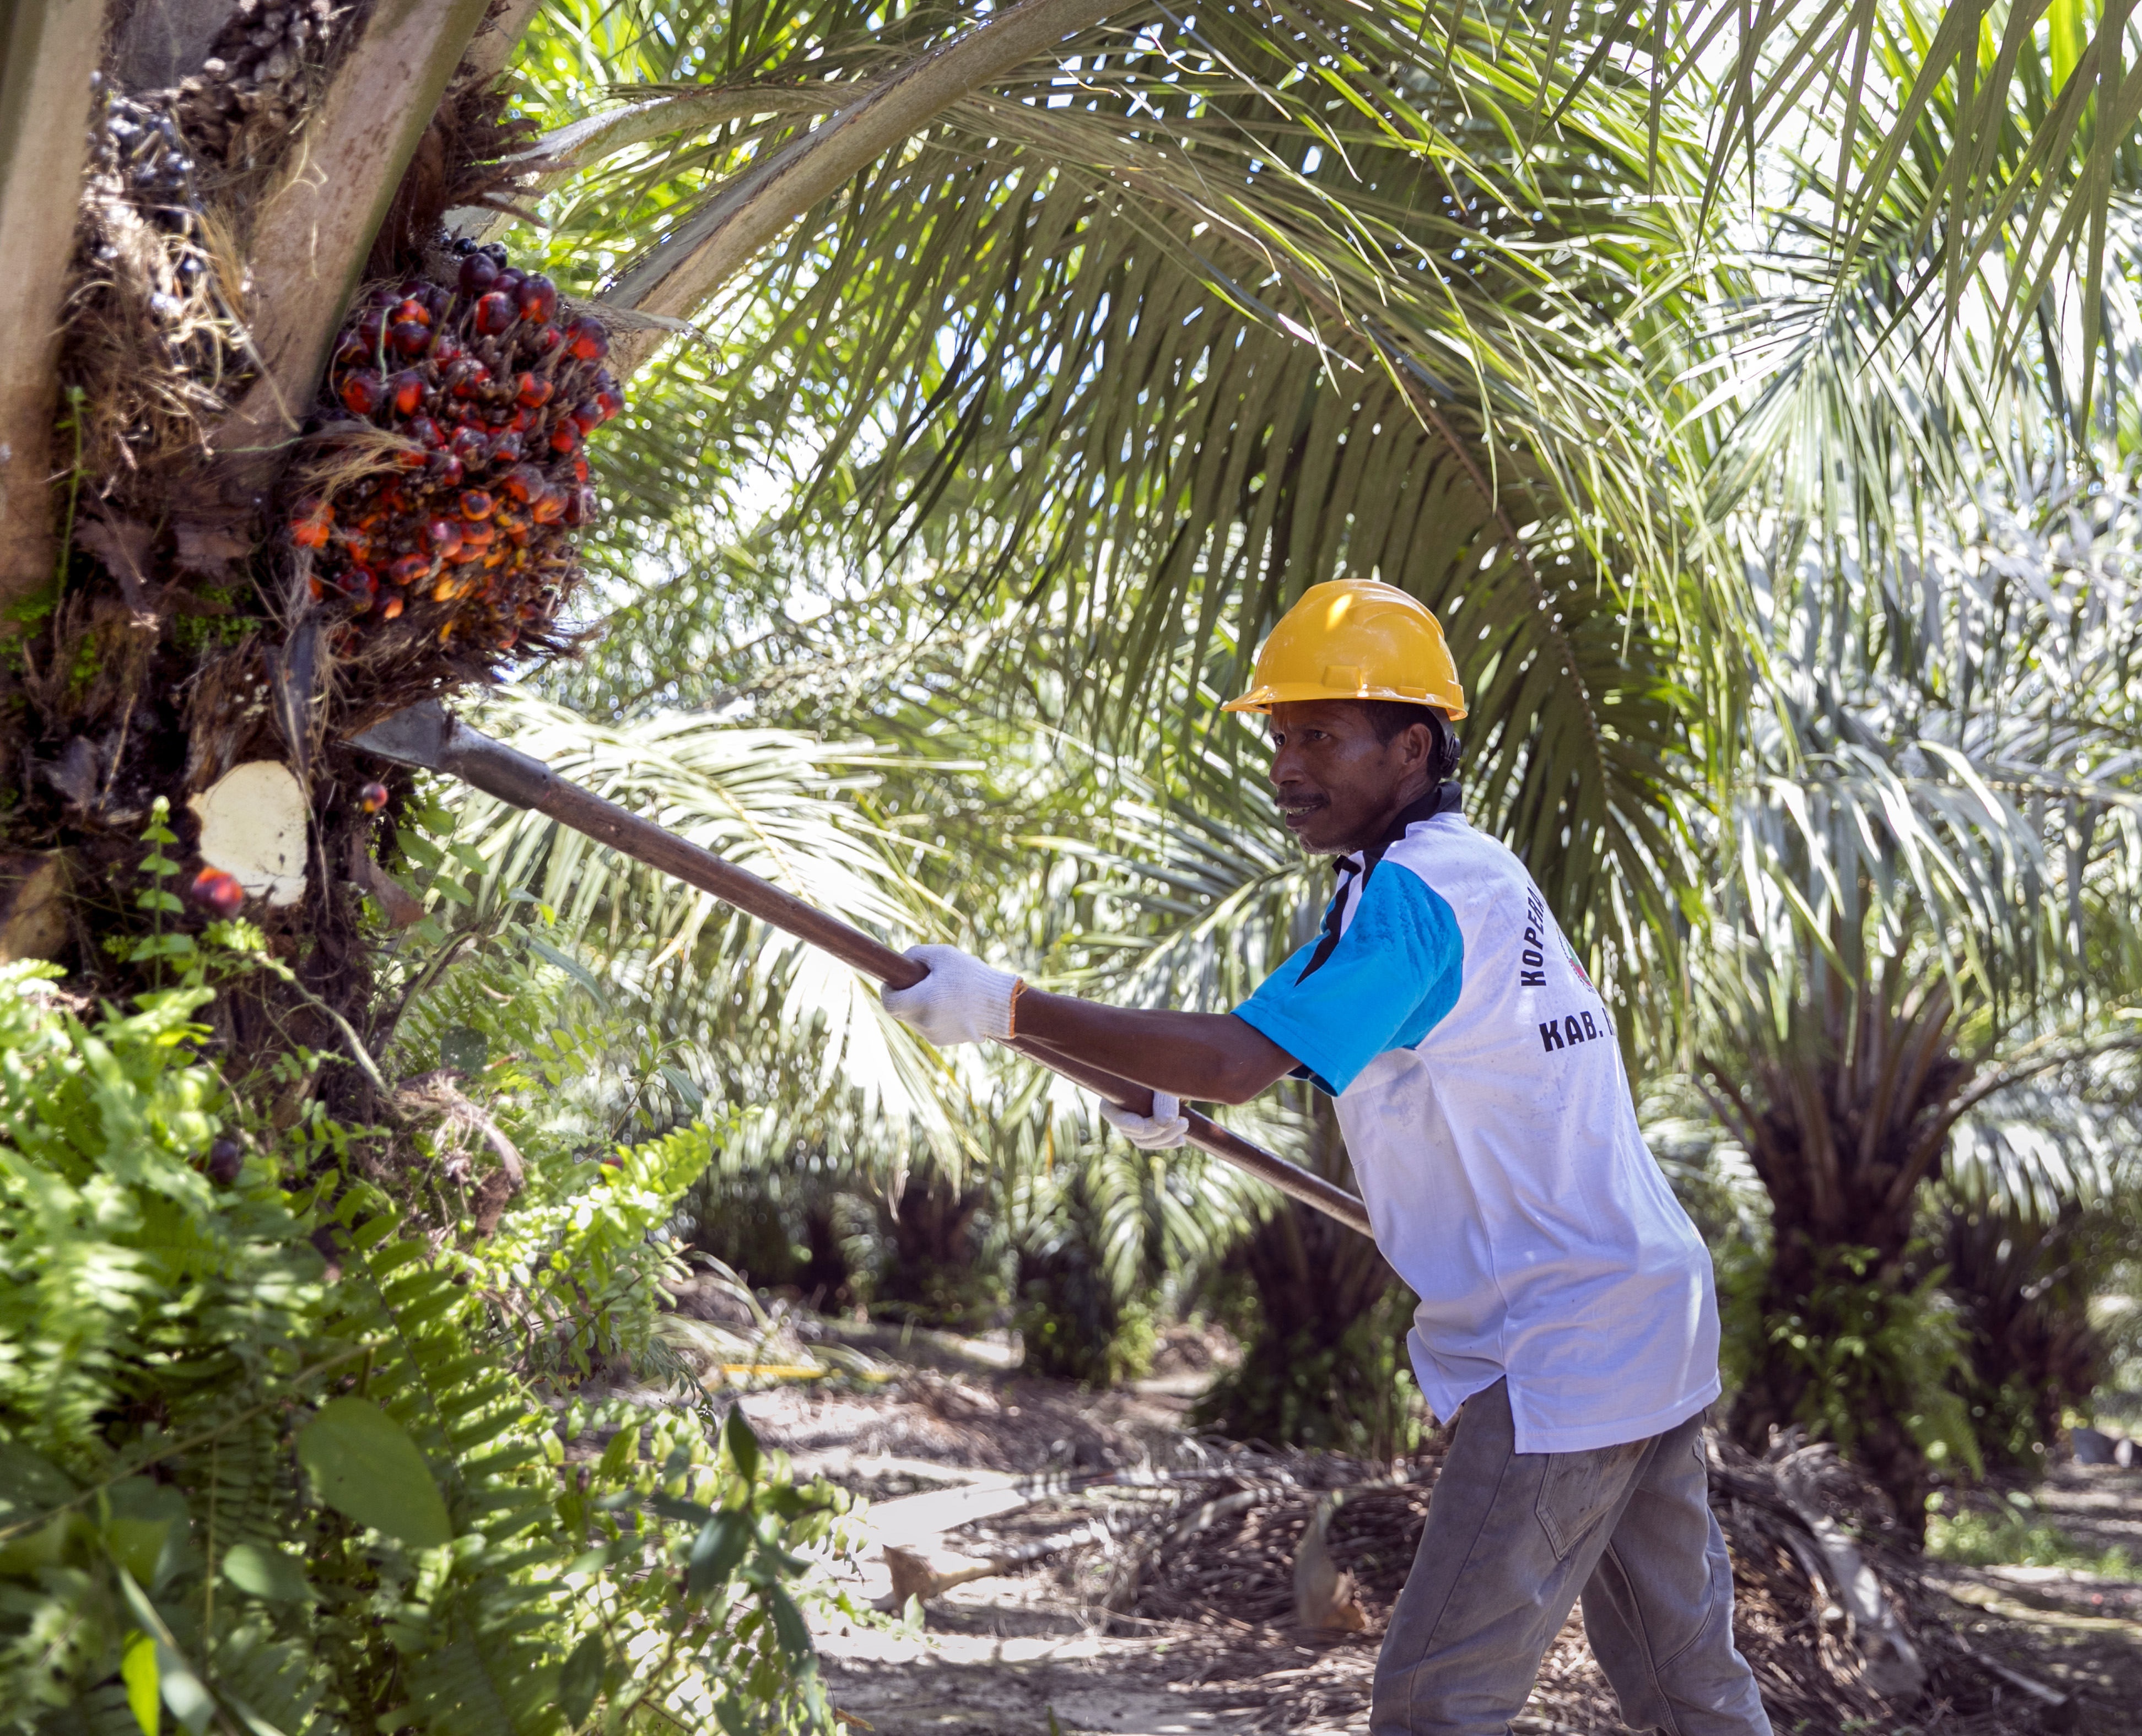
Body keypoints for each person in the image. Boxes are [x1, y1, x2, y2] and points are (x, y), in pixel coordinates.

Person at [878, 577, 1771, 1736]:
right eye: (1277, 734)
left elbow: (1241, 1062)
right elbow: (1282, 1048)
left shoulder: (1414, 897)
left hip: (1565, 1339)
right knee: (1680, 1677)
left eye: (1319, 736)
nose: (1286, 765)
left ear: (1411, 746)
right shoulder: (1450, 879)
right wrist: (1155, 1079)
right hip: (1643, 1303)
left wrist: (1009, 1008)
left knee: (1434, 1699)